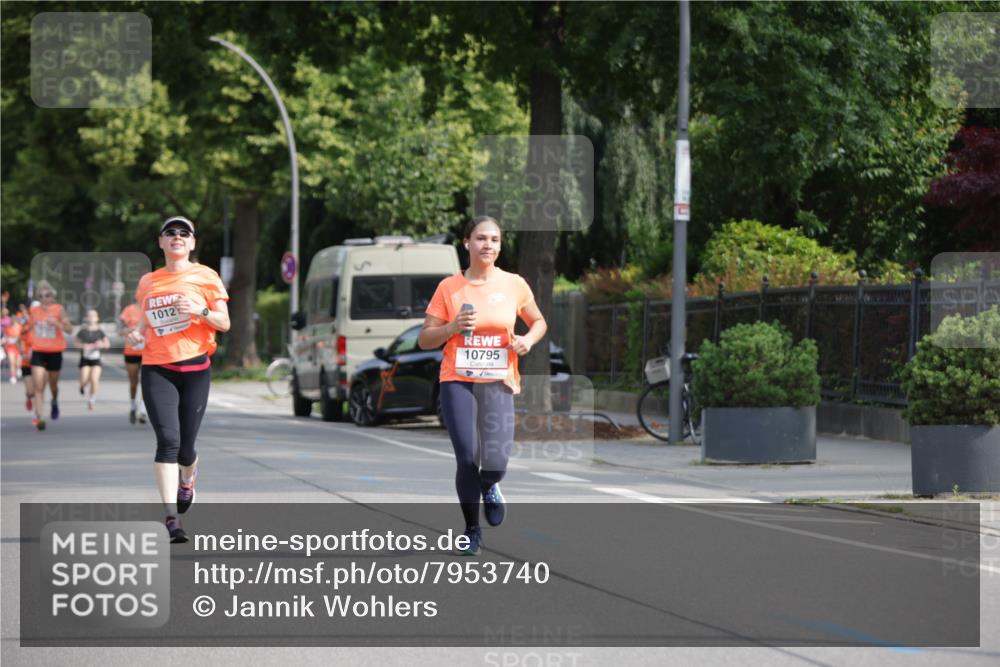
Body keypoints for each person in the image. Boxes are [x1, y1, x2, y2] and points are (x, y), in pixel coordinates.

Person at [418, 216, 547, 556]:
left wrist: (527, 340)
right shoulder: (449, 288)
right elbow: (424, 339)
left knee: (496, 461)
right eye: (480, 238)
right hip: (457, 380)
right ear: (467, 243)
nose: (488, 245)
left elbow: (538, 321)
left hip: (498, 381)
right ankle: (472, 531)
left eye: (494, 239)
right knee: (466, 457)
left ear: (499, 246)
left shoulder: (514, 284)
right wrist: (451, 327)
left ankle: (490, 486)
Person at [126, 216, 230, 543]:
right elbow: (144, 323)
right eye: (170, 232)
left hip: (196, 369)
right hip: (157, 368)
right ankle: (171, 518)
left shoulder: (206, 276)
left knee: (186, 450)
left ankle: (188, 479)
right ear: (161, 242)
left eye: (184, 233)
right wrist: (136, 333)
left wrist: (200, 310)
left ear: (192, 242)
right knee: (168, 443)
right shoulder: (148, 282)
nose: (177, 236)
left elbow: (224, 323)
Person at [28, 283, 73, 430]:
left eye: (47, 295)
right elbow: (27, 329)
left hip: (55, 351)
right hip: (38, 351)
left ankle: (54, 400)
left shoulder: (59, 310)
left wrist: (58, 323)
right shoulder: (33, 311)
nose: (44, 298)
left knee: (53, 385)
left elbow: (70, 330)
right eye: (40, 296)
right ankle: (39, 416)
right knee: (38, 385)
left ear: (52, 297)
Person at [119, 301, 148, 424]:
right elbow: (120, 331)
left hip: (148, 352)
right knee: (133, 382)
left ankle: (143, 410)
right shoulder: (129, 309)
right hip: (131, 351)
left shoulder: (153, 305)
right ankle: (132, 405)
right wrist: (131, 330)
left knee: (146, 382)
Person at [75, 309, 110, 411]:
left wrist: (101, 344)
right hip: (85, 359)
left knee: (94, 379)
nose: (91, 318)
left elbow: (107, 344)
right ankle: (82, 385)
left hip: (96, 359)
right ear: (86, 318)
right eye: (89, 316)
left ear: (97, 318)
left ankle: (92, 400)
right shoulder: (83, 331)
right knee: (84, 379)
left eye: (94, 316)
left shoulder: (100, 332)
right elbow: (76, 344)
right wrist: (83, 346)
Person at [17, 304, 35, 411]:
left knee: (37, 388)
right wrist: (23, 352)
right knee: (30, 391)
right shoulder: (24, 329)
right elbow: (19, 341)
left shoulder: (40, 330)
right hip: (26, 362)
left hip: (38, 362)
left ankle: (38, 412)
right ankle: (29, 397)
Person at [2, 307, 21, 383]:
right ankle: (13, 376)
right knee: (12, 362)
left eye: (14, 319)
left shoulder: (20, 327)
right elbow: (6, 338)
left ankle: (18, 369)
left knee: (17, 363)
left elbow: (22, 337)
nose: (13, 321)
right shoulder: (8, 328)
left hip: (18, 347)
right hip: (10, 347)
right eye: (12, 319)